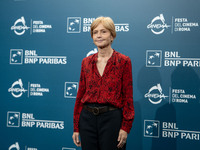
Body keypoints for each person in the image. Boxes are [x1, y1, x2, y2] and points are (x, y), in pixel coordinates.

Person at [72, 16, 134, 150]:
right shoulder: (86, 62)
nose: (99, 35)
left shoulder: (123, 61)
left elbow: (128, 98)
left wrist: (125, 127)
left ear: (112, 36)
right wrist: (76, 127)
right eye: (95, 32)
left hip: (112, 120)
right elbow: (80, 96)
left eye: (103, 31)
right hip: (87, 120)